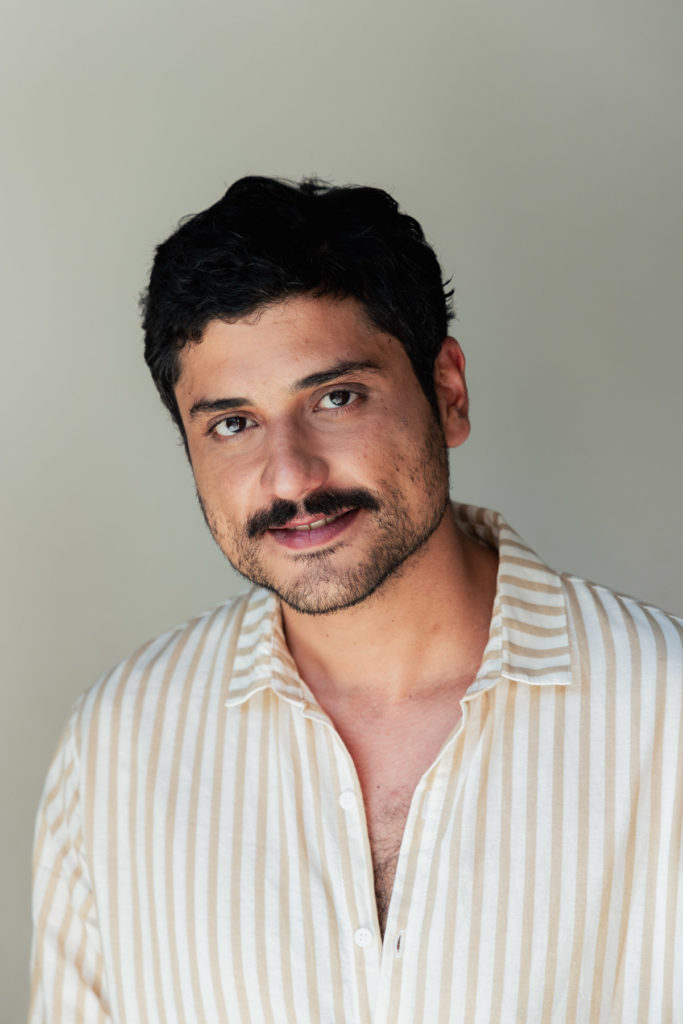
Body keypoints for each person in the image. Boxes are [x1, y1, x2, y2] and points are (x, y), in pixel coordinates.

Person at [29, 177, 683, 1024]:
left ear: (447, 392)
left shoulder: (664, 718)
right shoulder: (117, 748)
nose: (290, 477)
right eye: (232, 423)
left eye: (335, 398)